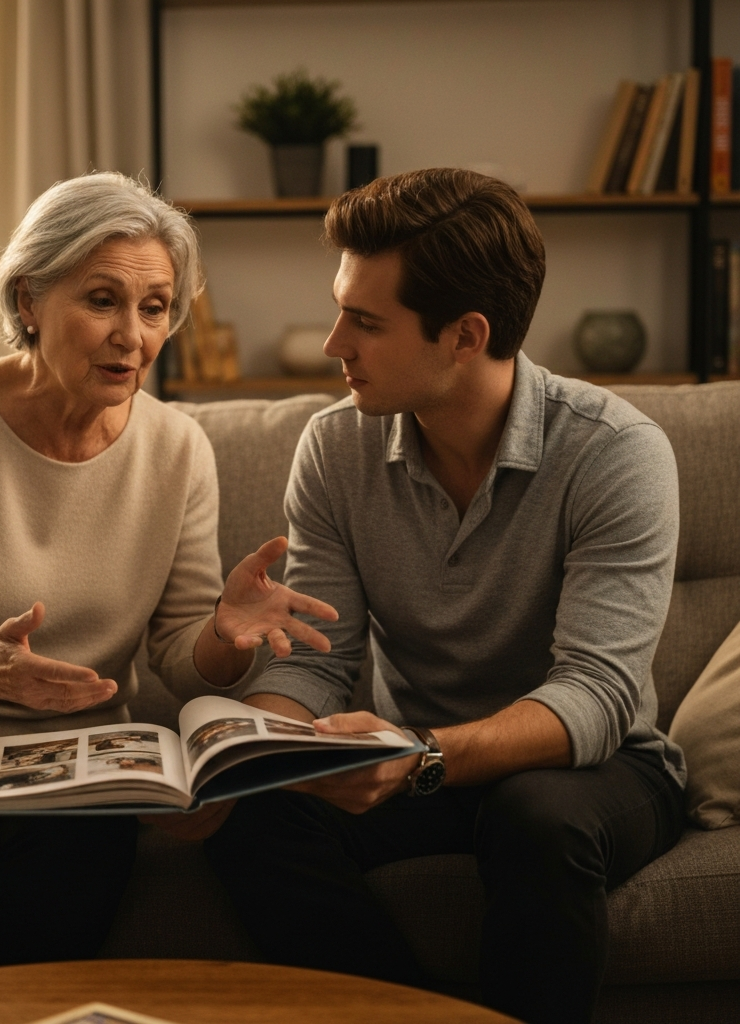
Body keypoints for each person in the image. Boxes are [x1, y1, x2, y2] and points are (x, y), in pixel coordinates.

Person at [0, 172, 336, 992]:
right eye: (103, 300)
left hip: (60, 756)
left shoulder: (178, 448)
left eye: (155, 308)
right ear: (29, 298)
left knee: (91, 839)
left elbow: (182, 662)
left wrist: (223, 635)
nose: (132, 335)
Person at [204, 169, 686, 1024]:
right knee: (255, 819)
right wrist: (245, 743)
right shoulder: (335, 448)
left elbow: (599, 694)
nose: (332, 343)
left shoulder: (615, 452)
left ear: (465, 335)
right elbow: (323, 659)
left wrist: (421, 752)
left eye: (366, 321)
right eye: (340, 307)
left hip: (591, 768)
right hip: (420, 763)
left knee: (537, 819)